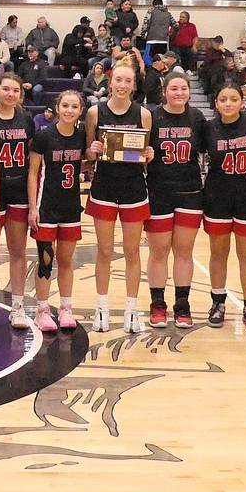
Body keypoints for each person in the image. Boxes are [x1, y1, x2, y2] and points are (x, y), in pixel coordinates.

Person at [85, 62, 154, 333]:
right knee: (104, 251)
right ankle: (101, 307)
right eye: (119, 80)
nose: (123, 85)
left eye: (128, 81)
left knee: (132, 251)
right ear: (110, 82)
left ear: (134, 85)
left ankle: (132, 309)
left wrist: (149, 155)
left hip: (134, 188)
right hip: (104, 187)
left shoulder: (144, 114)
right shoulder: (94, 112)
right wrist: (93, 150)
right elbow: (89, 157)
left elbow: (145, 154)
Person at [201, 82, 246, 331]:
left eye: (233, 99)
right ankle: (218, 302)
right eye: (223, 100)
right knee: (218, 253)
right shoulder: (208, 128)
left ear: (242, 101)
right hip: (217, 195)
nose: (228, 104)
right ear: (216, 103)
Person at [144, 73, 205, 328]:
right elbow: (138, 148)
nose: (179, 93)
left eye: (183, 88)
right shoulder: (152, 116)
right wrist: (144, 153)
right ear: (165, 91)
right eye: (174, 88)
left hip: (190, 192)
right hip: (158, 191)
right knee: (158, 252)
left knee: (183, 252)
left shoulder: (197, 118)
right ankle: (157, 304)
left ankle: (182, 304)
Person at [27, 89, 86, 332]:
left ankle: (65, 308)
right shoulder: (44, 137)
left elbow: (86, 162)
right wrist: (33, 207)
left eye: (74, 107)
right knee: (45, 261)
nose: (69, 110)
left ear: (80, 111)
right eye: (65, 106)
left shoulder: (81, 136)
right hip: (46, 207)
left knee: (66, 260)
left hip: (70, 207)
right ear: (57, 108)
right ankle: (42, 310)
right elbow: (32, 173)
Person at [0, 75, 36, 331]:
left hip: (19, 189)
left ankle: (17, 307)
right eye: (6, 89)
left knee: (18, 251)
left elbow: (31, 155)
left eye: (15, 90)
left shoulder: (25, 118)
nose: (10, 94)